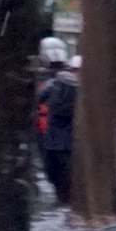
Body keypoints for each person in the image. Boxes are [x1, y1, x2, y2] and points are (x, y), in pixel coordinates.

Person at [35, 57, 78, 206]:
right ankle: (65, 197)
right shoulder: (81, 87)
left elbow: (38, 99)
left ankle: (62, 197)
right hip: (69, 140)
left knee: (54, 172)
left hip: (52, 138)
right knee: (65, 173)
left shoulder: (53, 84)